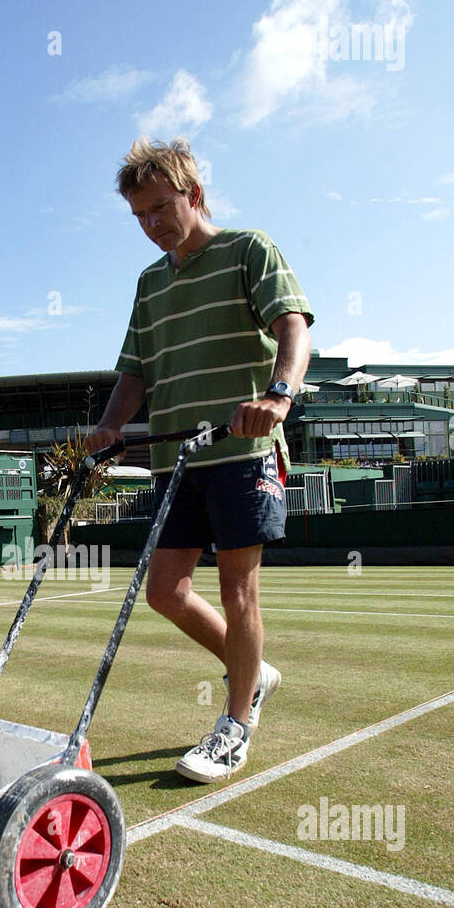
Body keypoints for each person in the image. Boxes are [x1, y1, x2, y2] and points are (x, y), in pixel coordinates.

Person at [85, 138, 313, 782]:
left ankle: (236, 724)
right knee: (165, 591)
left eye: (160, 208)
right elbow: (136, 367)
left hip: (243, 449)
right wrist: (109, 427)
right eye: (139, 217)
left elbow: (293, 324)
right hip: (174, 461)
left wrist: (279, 394)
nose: (152, 225)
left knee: (237, 587)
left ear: (196, 195)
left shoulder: (248, 249)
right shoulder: (150, 282)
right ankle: (255, 672)